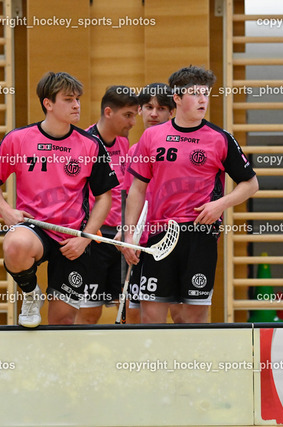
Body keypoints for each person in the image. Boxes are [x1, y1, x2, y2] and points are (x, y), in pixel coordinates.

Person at [122, 65, 258, 324]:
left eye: (205, 94)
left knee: (192, 315)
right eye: (195, 94)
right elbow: (137, 189)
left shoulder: (220, 138)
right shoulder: (151, 137)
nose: (202, 100)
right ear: (177, 98)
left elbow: (250, 184)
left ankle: (190, 365)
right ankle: (155, 365)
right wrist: (130, 233)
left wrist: (221, 204)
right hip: (158, 234)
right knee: (151, 313)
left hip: (200, 235)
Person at [0, 71, 119, 327]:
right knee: (15, 245)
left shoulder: (90, 145)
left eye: (78, 99)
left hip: (73, 236)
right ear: (48, 103)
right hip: (35, 229)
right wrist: (5, 211)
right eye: (69, 99)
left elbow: (104, 198)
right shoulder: (18, 139)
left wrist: (85, 238)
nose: (76, 105)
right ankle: (30, 293)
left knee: (63, 320)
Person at [75, 85, 138, 324]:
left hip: (120, 239)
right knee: (89, 310)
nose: (133, 122)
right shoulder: (83, 144)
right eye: (128, 115)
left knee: (127, 310)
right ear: (109, 112)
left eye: (134, 115)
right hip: (95, 239)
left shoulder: (124, 143)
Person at [123, 82, 176, 324]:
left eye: (161, 108)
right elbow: (130, 195)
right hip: (139, 245)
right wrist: (127, 235)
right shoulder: (134, 150)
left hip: (170, 241)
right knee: (135, 315)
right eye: (148, 107)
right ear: (139, 111)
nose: (154, 113)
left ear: (172, 112)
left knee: (179, 312)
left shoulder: (179, 147)